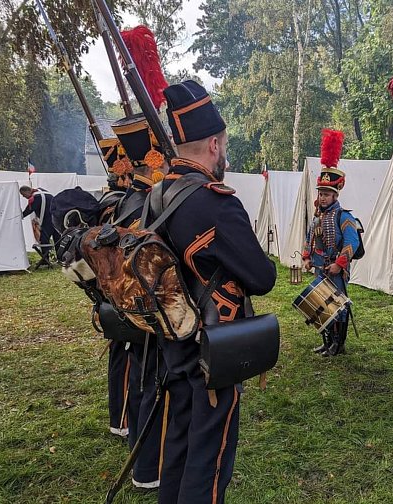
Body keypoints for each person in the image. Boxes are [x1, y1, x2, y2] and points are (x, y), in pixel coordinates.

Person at [148, 80, 276, 503]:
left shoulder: (157, 194)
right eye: (224, 143)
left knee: (180, 445)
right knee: (210, 457)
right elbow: (262, 277)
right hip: (212, 349)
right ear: (215, 144)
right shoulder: (215, 201)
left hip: (174, 342)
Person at [110, 114, 169, 489]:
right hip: (149, 306)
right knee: (154, 385)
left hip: (130, 306)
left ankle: (140, 456)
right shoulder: (150, 202)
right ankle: (150, 468)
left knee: (141, 380)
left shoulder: (130, 200)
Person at [302, 129, 360, 357]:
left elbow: (351, 243)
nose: (323, 196)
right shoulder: (317, 217)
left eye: (327, 193)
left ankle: (339, 344)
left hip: (336, 270)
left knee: (338, 307)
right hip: (319, 268)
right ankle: (327, 342)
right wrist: (307, 257)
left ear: (335, 195)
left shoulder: (344, 217)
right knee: (322, 306)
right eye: (321, 193)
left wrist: (340, 263)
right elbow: (310, 238)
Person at [20, 185, 60, 268]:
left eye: (24, 195)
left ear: (27, 191)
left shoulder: (36, 197)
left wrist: (21, 215)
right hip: (56, 219)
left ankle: (46, 260)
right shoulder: (42, 190)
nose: (24, 197)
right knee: (57, 239)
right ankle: (61, 259)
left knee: (44, 240)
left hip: (47, 221)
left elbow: (30, 209)